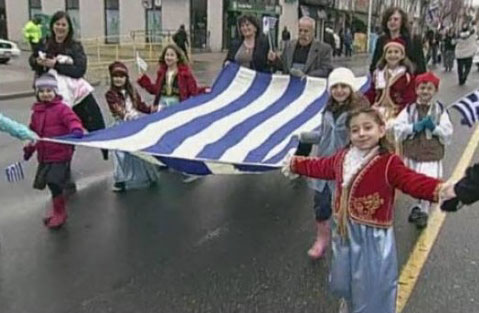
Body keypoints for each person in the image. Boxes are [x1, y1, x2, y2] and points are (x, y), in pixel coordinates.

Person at [282, 107, 445, 313]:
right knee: (346, 280)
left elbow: (410, 181)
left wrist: (439, 189)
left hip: (372, 238)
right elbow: (321, 167)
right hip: (344, 232)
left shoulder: (388, 163)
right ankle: (350, 306)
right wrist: (296, 163)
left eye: (368, 127)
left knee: (373, 287)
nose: (361, 134)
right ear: (349, 134)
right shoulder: (343, 157)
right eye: (355, 130)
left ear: (381, 130)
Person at [298, 68, 369, 260]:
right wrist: (303, 137)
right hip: (324, 165)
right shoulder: (328, 109)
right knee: (321, 205)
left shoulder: (359, 112)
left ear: (351, 88)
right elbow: (323, 135)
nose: (339, 90)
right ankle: (321, 239)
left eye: (343, 86)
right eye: (335, 87)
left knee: (345, 206)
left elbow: (365, 139)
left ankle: (345, 242)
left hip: (346, 167)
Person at [28, 11, 107, 161]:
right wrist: (37, 62)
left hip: (77, 93)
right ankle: (61, 161)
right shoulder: (45, 43)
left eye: (64, 24)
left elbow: (79, 70)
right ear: (52, 26)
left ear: (69, 27)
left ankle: (104, 147)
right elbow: (33, 61)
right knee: (59, 129)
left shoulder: (75, 46)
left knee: (94, 121)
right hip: (53, 95)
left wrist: (56, 65)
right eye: (57, 24)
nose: (60, 28)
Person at [23, 74, 84, 229]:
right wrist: (29, 148)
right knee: (51, 184)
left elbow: (73, 120)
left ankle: (60, 212)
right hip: (45, 155)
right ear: (37, 93)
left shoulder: (62, 109)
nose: (46, 94)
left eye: (49, 90)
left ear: (55, 91)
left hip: (60, 154)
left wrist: (76, 129)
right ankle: (57, 209)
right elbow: (33, 133)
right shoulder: (36, 112)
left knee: (54, 181)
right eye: (42, 91)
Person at [394, 72, 453, 228]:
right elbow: (397, 127)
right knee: (415, 181)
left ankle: (424, 212)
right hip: (413, 151)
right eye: (422, 88)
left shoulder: (439, 110)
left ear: (435, 91)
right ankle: (418, 206)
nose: (425, 91)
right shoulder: (410, 109)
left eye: (429, 88)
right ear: (416, 89)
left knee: (428, 179)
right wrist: (413, 127)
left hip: (431, 153)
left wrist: (435, 129)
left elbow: (447, 131)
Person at [105, 61, 161, 192]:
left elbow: (140, 105)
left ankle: (151, 176)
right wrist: (126, 116)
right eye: (115, 76)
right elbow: (117, 108)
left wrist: (152, 109)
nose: (118, 79)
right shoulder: (110, 94)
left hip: (136, 124)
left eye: (121, 76)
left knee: (141, 150)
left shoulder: (132, 91)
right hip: (121, 126)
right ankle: (121, 180)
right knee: (120, 153)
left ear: (126, 78)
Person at [365, 38, 416, 121]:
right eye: (389, 52)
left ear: (402, 55)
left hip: (398, 113)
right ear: (385, 55)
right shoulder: (378, 74)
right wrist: (362, 101)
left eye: (396, 52)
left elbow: (410, 97)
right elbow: (372, 92)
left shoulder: (406, 76)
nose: (393, 55)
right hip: (377, 111)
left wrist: (403, 112)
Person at [137, 44, 202, 109]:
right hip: (162, 105)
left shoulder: (185, 74)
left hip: (178, 106)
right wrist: (144, 80)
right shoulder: (161, 73)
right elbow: (156, 90)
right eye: (167, 55)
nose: (169, 57)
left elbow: (193, 90)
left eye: (172, 55)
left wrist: (205, 90)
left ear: (177, 58)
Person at [370, 7, 426, 75]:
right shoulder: (381, 41)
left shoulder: (414, 41)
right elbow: (374, 65)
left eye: (395, 19)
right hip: (385, 82)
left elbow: (421, 68)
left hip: (408, 82)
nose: (392, 22)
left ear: (402, 21)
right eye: (389, 19)